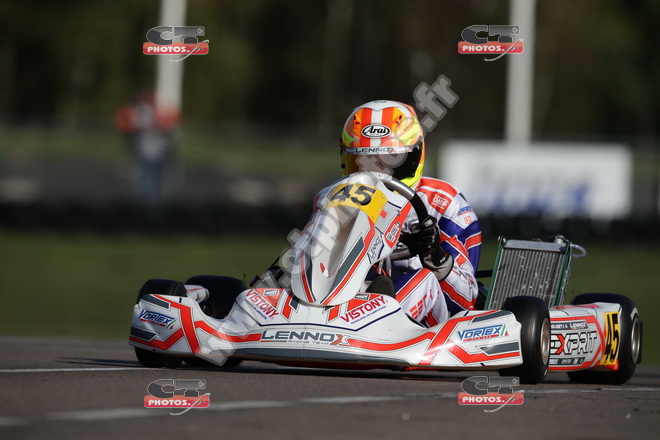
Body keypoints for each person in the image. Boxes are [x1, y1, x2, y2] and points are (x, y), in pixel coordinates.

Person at [338, 100, 481, 325]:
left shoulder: (443, 202)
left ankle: (378, 323)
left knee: (424, 280)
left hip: (430, 327)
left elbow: (466, 300)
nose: (375, 175)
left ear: (413, 157)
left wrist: (435, 256)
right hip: (350, 307)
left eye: (387, 163)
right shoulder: (342, 199)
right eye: (362, 163)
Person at [115, 90, 179, 210]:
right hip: (147, 152)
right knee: (146, 180)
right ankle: (146, 207)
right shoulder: (141, 110)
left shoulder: (156, 110)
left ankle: (154, 206)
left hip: (158, 151)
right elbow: (132, 125)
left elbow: (168, 125)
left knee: (155, 180)